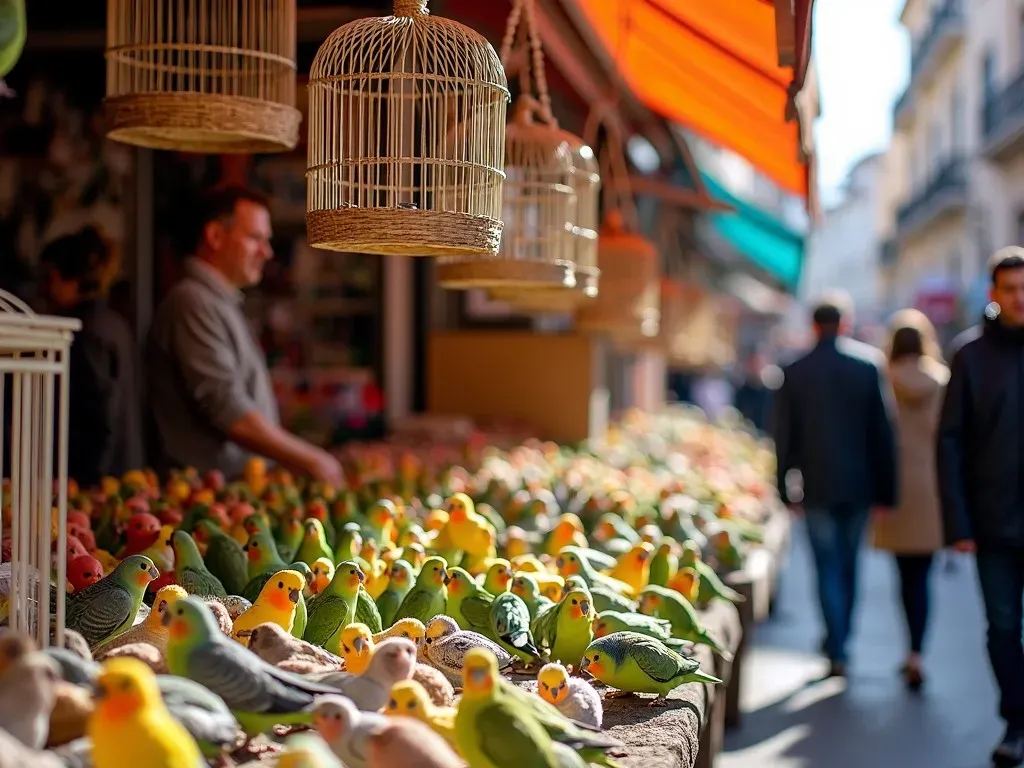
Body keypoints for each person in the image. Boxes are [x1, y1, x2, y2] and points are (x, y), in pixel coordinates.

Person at [146, 185, 342, 485]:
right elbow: (227, 408)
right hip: (206, 495)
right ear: (214, 236)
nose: (267, 252)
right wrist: (312, 459)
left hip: (234, 489)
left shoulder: (217, 301)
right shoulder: (192, 301)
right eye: (255, 239)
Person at [772, 294, 898, 678]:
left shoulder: (795, 371)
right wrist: (887, 491)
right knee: (848, 565)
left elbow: (784, 437)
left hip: (817, 485)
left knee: (826, 566)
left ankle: (836, 644)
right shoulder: (867, 366)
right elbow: (883, 433)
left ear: (814, 326)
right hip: (860, 486)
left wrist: (783, 487)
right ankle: (842, 640)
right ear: (845, 324)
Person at [938, 247, 1024, 767]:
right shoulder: (969, 355)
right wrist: (958, 523)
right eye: (1011, 289)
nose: (1020, 298)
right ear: (994, 294)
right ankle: (1016, 719)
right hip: (991, 521)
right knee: (1000, 626)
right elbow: (949, 443)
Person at [871, 309, 948, 692]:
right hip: (933, 488)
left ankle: (909, 652)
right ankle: (918, 652)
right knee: (924, 576)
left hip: (895, 488)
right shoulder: (943, 380)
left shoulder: (883, 379)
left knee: (905, 577)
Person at [39, 227, 143, 485]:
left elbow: (100, 417)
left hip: (96, 483)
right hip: (125, 472)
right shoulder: (113, 322)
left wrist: (88, 482)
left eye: (47, 277)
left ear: (58, 276)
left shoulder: (82, 331)